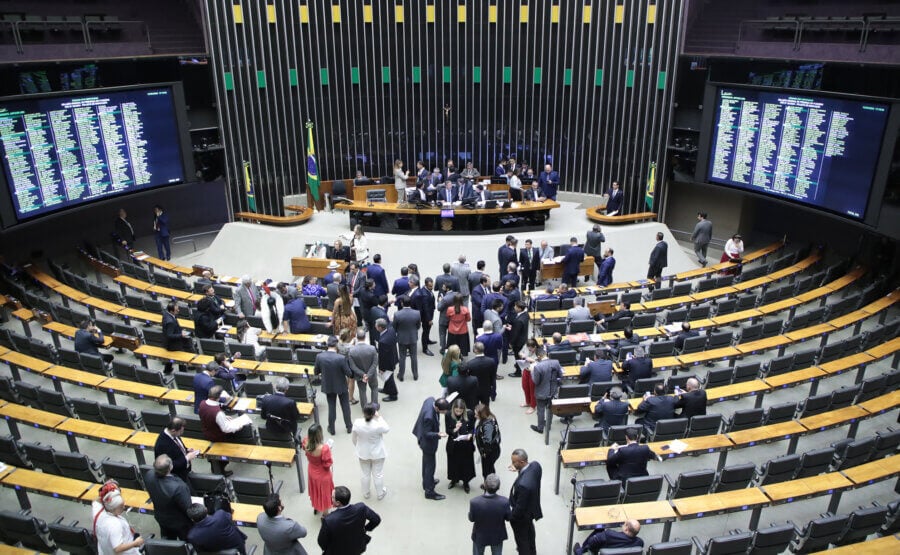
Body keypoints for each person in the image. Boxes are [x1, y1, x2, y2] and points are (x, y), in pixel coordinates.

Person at [198, 385, 252, 475]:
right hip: (218, 436)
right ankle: (221, 471)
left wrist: (224, 417)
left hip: (207, 432)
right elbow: (226, 429)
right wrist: (238, 426)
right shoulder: (218, 412)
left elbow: (206, 415)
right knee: (221, 458)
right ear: (218, 397)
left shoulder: (202, 403)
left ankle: (215, 468)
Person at [317, 486, 381, 555]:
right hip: (357, 548)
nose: (331, 498)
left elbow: (321, 542)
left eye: (332, 497)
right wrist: (365, 529)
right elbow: (376, 520)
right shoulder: (361, 508)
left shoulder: (329, 520)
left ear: (338, 503)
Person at [144, 455, 192, 540]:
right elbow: (188, 507)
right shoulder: (179, 487)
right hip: (180, 523)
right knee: (186, 542)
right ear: (171, 467)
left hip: (161, 517)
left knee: (168, 541)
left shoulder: (149, 475)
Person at [412, 396, 450, 500]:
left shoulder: (430, 400)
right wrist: (438, 434)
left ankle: (426, 482)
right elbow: (427, 433)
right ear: (437, 409)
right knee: (430, 466)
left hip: (423, 438)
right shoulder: (429, 417)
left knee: (426, 462)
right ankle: (429, 491)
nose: (445, 413)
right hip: (427, 443)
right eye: (444, 411)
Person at [316, 336, 354, 435]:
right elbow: (349, 373)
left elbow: (316, 372)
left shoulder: (319, 357)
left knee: (331, 407)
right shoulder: (341, 358)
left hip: (328, 386)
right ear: (336, 345)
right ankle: (349, 427)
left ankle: (332, 429)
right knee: (345, 406)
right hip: (341, 385)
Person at [351, 403, 390, 500]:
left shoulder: (357, 423)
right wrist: (379, 416)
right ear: (373, 414)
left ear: (363, 413)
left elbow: (354, 438)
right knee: (378, 474)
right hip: (378, 453)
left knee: (365, 473)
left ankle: (366, 493)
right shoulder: (377, 425)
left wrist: (359, 447)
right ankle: (380, 493)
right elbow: (387, 428)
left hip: (363, 453)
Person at [508, 448, 543, 555]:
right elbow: (528, 475)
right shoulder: (536, 466)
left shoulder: (523, 485)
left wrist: (512, 518)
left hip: (521, 517)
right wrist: (519, 470)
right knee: (530, 534)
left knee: (522, 542)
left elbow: (520, 507)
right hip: (531, 510)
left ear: (522, 462)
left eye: (514, 462)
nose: (512, 464)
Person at [469, 473, 511, 555]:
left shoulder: (474, 502)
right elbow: (508, 517)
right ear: (498, 487)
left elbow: (471, 519)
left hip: (480, 536)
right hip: (497, 536)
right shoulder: (504, 502)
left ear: (484, 485)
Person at [94, 489, 144, 555]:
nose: (124, 507)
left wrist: (109, 492)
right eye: (121, 506)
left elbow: (96, 500)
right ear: (113, 508)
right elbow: (117, 548)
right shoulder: (115, 525)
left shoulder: (99, 513)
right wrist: (135, 543)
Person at [301, 423, 335, 515]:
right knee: (325, 495)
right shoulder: (324, 449)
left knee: (316, 491)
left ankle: (316, 507)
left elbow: (305, 449)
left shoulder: (305, 442)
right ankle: (325, 515)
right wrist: (329, 451)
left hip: (312, 471)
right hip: (323, 475)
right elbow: (327, 465)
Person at [154, 416, 200, 483]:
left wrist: (186, 450)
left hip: (184, 471)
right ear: (173, 430)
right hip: (177, 477)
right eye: (180, 432)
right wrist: (187, 458)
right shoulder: (163, 444)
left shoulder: (173, 434)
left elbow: (177, 446)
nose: (181, 433)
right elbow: (169, 465)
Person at [445, 397, 477, 493]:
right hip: (454, 444)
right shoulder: (448, 415)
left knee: (466, 464)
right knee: (453, 463)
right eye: (456, 411)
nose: (458, 413)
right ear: (453, 408)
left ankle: (466, 482)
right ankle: (454, 479)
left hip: (466, 445)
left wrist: (471, 434)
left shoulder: (470, 414)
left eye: (460, 411)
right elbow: (448, 430)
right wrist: (455, 429)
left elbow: (472, 428)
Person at [530, 348, 561, 434]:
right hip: (553, 391)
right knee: (550, 410)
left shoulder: (537, 367)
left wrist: (532, 372)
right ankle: (548, 426)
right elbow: (560, 375)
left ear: (539, 356)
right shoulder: (556, 362)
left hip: (541, 392)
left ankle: (540, 428)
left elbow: (536, 381)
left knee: (540, 410)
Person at [574, 520, 644, 555]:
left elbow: (591, 542)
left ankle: (580, 551)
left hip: (598, 551)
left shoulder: (609, 535)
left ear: (626, 529)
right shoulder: (640, 543)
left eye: (625, 524)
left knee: (599, 530)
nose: (623, 524)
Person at [393, 297, 421, 380]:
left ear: (402, 303)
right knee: (414, 357)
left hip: (402, 338)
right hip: (413, 338)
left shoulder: (397, 314)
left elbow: (394, 327)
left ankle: (401, 375)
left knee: (402, 357)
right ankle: (415, 375)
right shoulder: (417, 313)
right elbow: (418, 326)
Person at [348, 329, 378, 406]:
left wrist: (363, 375)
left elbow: (352, 366)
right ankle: (374, 406)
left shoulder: (352, 351)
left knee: (362, 391)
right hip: (372, 374)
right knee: (374, 388)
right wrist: (368, 374)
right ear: (365, 337)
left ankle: (365, 407)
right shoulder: (372, 348)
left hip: (359, 375)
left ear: (356, 338)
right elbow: (375, 363)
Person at [475, 402, 502, 478]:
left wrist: (484, 453)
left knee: (487, 471)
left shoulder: (487, 425)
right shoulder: (491, 418)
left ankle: (489, 485)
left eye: (477, 414)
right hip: (494, 449)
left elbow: (487, 442)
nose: (475, 416)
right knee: (490, 468)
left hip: (489, 452)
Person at [467, 342, 498, 406]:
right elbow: (493, 376)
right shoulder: (491, 361)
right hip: (486, 389)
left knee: (475, 408)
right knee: (486, 408)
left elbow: (468, 378)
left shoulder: (470, 363)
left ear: (475, 350)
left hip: (474, 389)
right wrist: (492, 388)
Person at [375, 319, 398, 402]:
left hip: (388, 362)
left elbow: (383, 357)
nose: (375, 326)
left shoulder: (383, 342)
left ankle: (393, 394)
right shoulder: (390, 330)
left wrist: (381, 368)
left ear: (380, 328)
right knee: (388, 377)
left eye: (376, 325)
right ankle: (386, 389)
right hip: (393, 357)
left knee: (389, 378)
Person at [506, 301, 529, 377]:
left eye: (515, 306)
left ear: (519, 308)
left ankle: (518, 372)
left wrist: (511, 343)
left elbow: (515, 334)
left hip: (518, 342)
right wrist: (513, 326)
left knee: (517, 356)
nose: (514, 307)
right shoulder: (525, 314)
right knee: (521, 355)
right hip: (523, 338)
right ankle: (522, 367)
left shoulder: (519, 320)